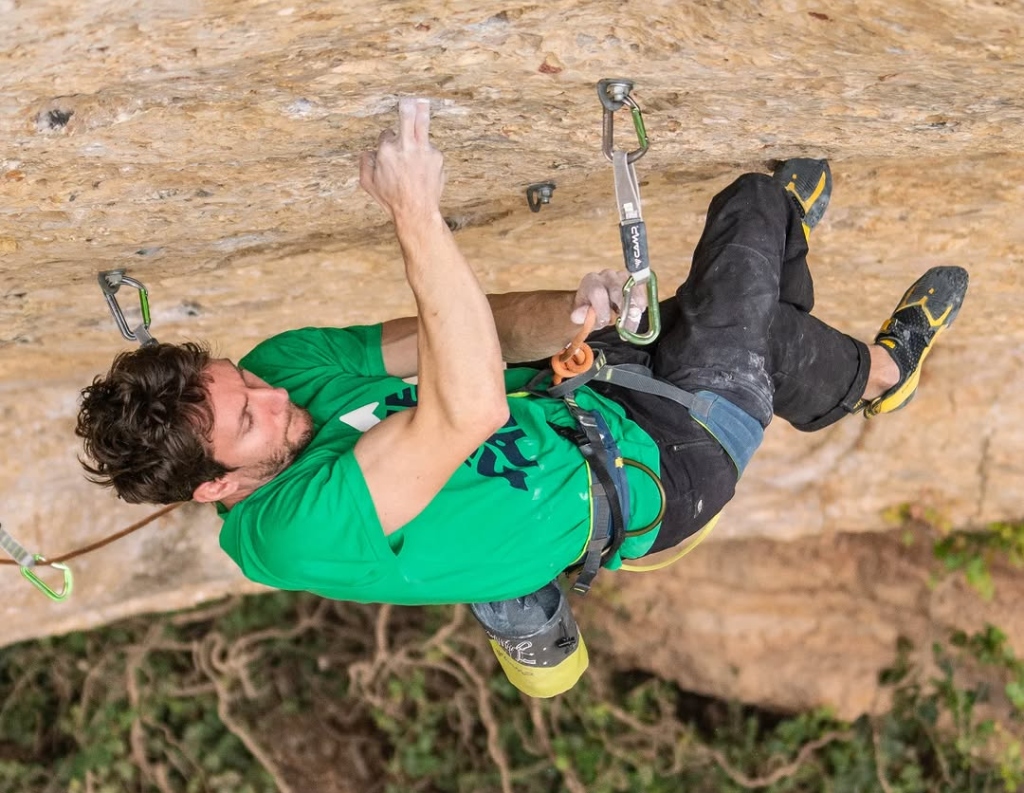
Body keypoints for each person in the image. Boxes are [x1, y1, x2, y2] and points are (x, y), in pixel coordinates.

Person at [76, 98, 969, 609]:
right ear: (217, 485)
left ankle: (807, 336)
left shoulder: (286, 371)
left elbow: (464, 337)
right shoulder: (287, 529)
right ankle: (875, 373)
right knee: (753, 211)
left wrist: (577, 316)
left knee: (738, 308)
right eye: (246, 419)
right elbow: (469, 408)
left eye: (245, 381)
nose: (271, 396)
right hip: (662, 469)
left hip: (581, 392)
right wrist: (415, 214)